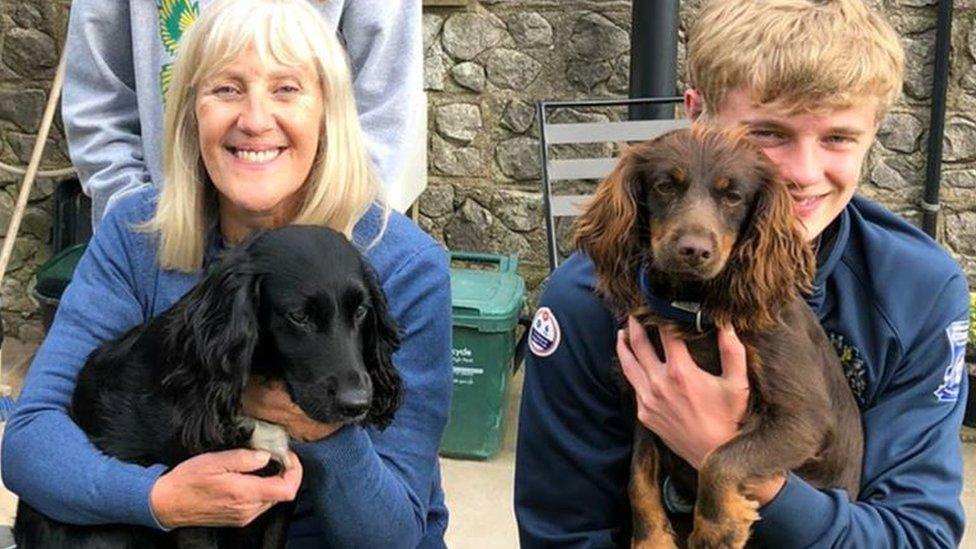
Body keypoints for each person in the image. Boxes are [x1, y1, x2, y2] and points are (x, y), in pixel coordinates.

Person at [515, 0, 970, 546]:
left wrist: (739, 468)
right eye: (769, 133)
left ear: (874, 133)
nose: (802, 174)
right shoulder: (585, 299)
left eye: (838, 138)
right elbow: (563, 534)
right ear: (696, 114)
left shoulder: (917, 291)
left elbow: (918, 535)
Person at [2, 0, 452, 546]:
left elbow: (393, 536)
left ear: (329, 113)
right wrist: (160, 499)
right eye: (226, 90)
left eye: (287, 89)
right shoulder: (139, 231)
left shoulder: (404, 266)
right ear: (191, 112)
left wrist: (319, 424)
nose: (255, 120)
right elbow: (30, 441)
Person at [62, 0, 422, 224]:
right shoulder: (135, 256)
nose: (254, 121)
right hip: (164, 251)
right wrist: (141, 222)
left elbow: (384, 107)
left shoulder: (412, 267)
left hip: (315, 260)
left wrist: (329, 235)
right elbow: (99, 97)